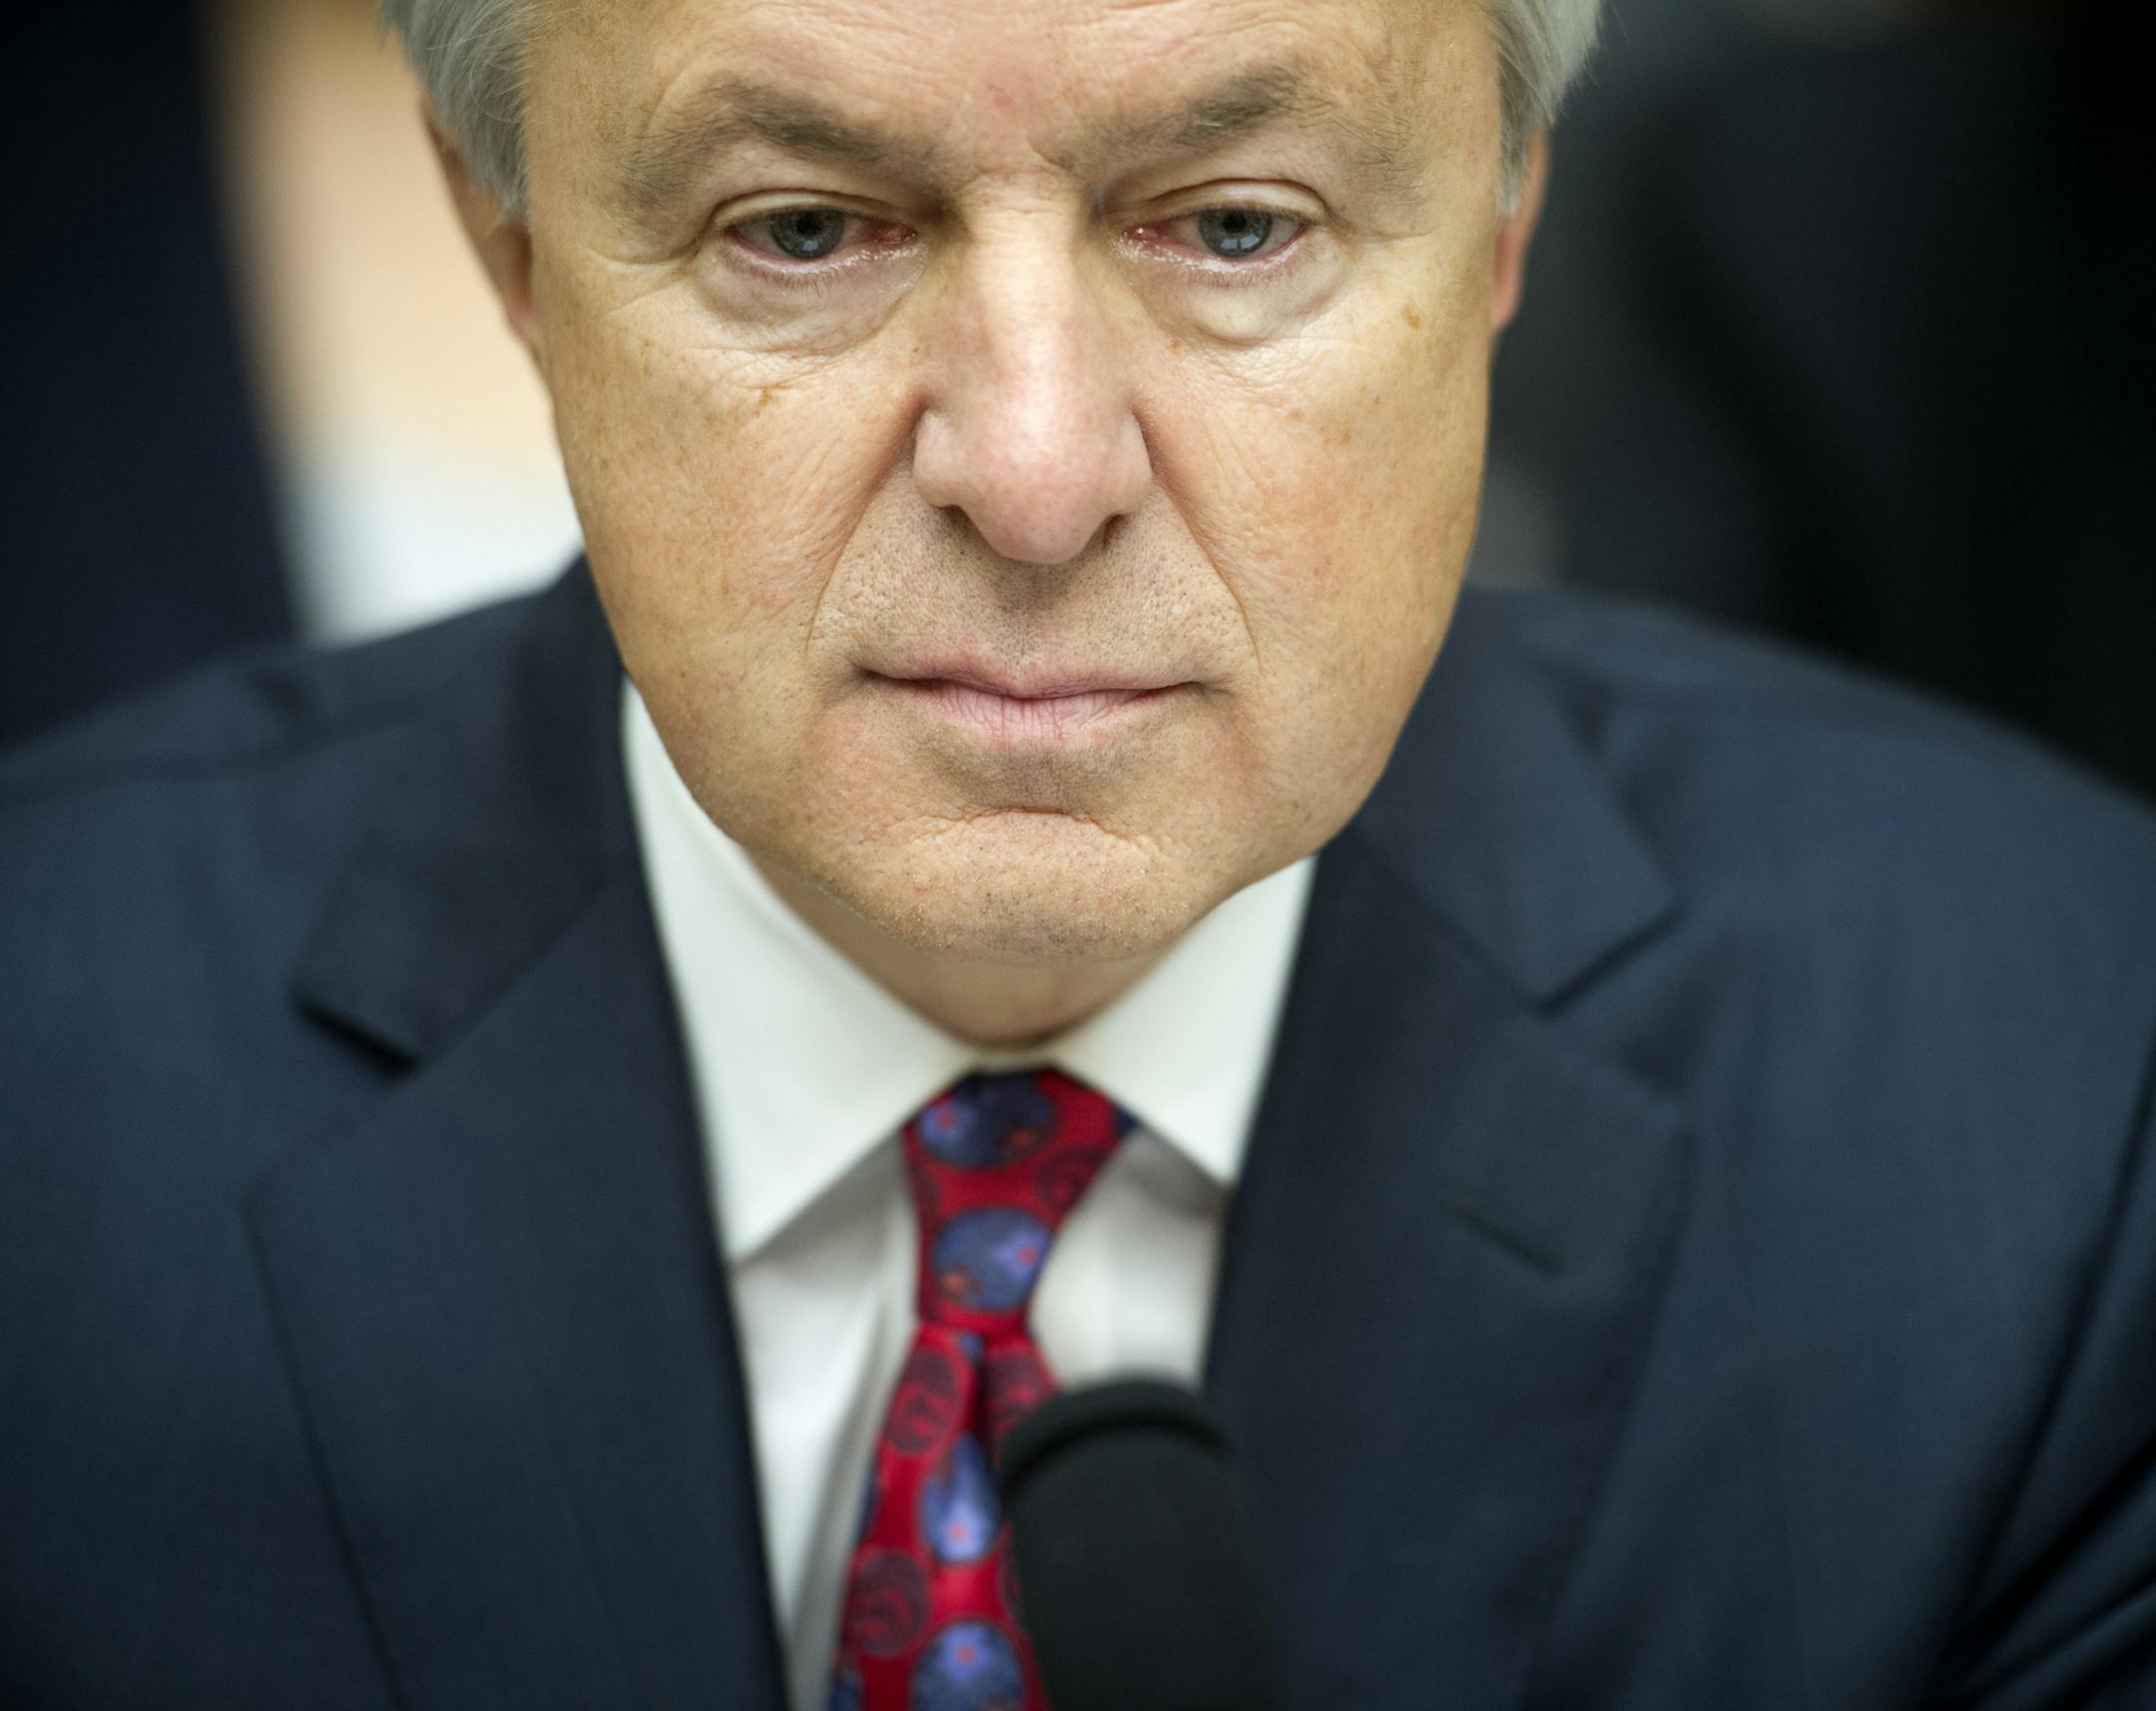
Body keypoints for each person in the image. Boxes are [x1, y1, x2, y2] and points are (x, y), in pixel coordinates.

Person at [2, 0, 2153, 1706]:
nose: (1033, 475)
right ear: (523, 262)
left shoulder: (2055, 1121)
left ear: (1501, 230)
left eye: (1234, 224)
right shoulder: (50, 1102)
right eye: (803, 229)